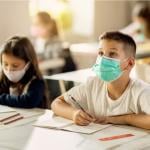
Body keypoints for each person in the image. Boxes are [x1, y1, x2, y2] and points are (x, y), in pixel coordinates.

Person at [51, 31, 150, 130]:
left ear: (130, 63)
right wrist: (73, 113)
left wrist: (125, 119)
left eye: (112, 54)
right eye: (101, 53)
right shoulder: (93, 85)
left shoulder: (142, 91)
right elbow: (57, 103)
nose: (103, 59)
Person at [0, 36, 49, 108]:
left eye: (15, 65)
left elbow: (28, 101)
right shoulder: (3, 79)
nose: (9, 69)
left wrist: (2, 99)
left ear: (28, 64)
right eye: (5, 64)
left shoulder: (36, 81)